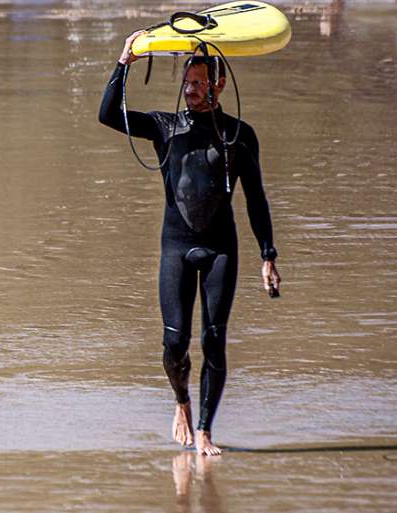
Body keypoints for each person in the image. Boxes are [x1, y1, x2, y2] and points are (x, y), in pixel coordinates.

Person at [98, 31, 281, 455]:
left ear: (218, 85)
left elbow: (256, 199)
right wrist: (124, 60)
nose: (190, 90)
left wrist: (268, 256)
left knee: (214, 340)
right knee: (174, 343)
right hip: (175, 248)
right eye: (186, 83)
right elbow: (109, 115)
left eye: (198, 83)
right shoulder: (165, 126)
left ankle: (204, 431)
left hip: (221, 248)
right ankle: (181, 401)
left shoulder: (240, 136)